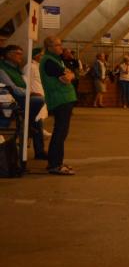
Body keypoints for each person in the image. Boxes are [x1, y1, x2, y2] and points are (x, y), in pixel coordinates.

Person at [0, 45, 47, 159]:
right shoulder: (2, 69)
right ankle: (29, 123)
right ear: (8, 55)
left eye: (21, 53)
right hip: (11, 101)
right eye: (18, 53)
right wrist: (29, 93)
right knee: (39, 101)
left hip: (20, 98)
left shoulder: (16, 68)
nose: (21, 56)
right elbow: (12, 88)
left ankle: (39, 151)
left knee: (37, 120)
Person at [39, 36, 77, 175]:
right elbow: (66, 76)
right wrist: (69, 75)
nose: (61, 47)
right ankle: (55, 164)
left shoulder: (56, 59)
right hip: (59, 99)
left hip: (63, 98)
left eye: (60, 44)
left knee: (61, 132)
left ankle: (56, 162)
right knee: (60, 132)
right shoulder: (49, 61)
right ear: (49, 47)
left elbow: (70, 74)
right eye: (57, 45)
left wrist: (69, 75)